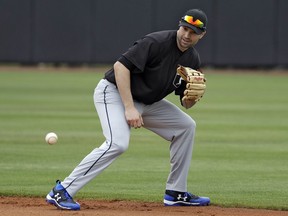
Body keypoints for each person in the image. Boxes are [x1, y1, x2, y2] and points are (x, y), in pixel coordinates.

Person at [46, 8, 210, 210]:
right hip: (113, 93)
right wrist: (129, 107)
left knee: (186, 126)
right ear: (179, 26)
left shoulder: (192, 59)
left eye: (193, 32)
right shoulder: (156, 42)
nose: (187, 35)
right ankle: (62, 190)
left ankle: (176, 192)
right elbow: (120, 67)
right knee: (118, 143)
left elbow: (186, 103)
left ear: (202, 35)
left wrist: (195, 96)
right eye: (184, 28)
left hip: (148, 102)